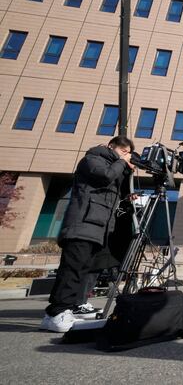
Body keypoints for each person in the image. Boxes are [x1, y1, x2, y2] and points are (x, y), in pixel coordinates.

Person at [40, 136, 135, 333]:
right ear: (111, 147)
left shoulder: (115, 166)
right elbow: (105, 176)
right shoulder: (92, 159)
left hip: (98, 228)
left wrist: (127, 187)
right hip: (81, 225)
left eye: (128, 153)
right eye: (124, 151)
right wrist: (121, 163)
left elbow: (112, 190)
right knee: (72, 269)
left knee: (86, 269)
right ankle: (56, 312)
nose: (126, 156)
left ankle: (71, 307)